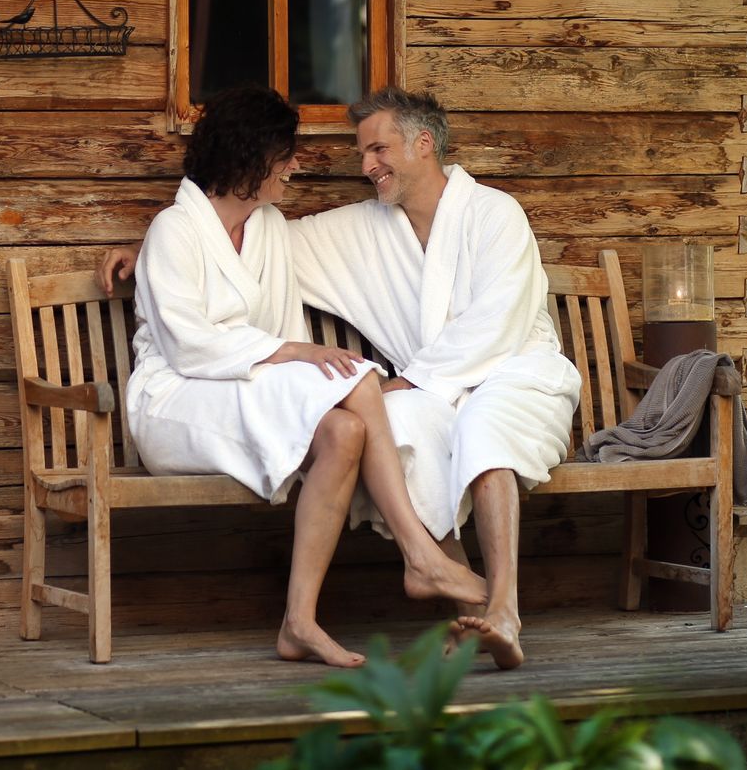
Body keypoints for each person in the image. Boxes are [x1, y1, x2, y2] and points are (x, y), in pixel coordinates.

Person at [102, 88, 580, 669]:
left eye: (377, 149)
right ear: (254, 157)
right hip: (216, 388)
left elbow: (496, 321)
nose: (365, 166)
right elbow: (210, 243)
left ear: (423, 143)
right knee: (391, 415)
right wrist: (148, 249)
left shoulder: (494, 213)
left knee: (471, 428)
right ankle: (432, 570)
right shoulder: (359, 226)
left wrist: (413, 380)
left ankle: (493, 604)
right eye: (362, 152)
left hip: (507, 370)